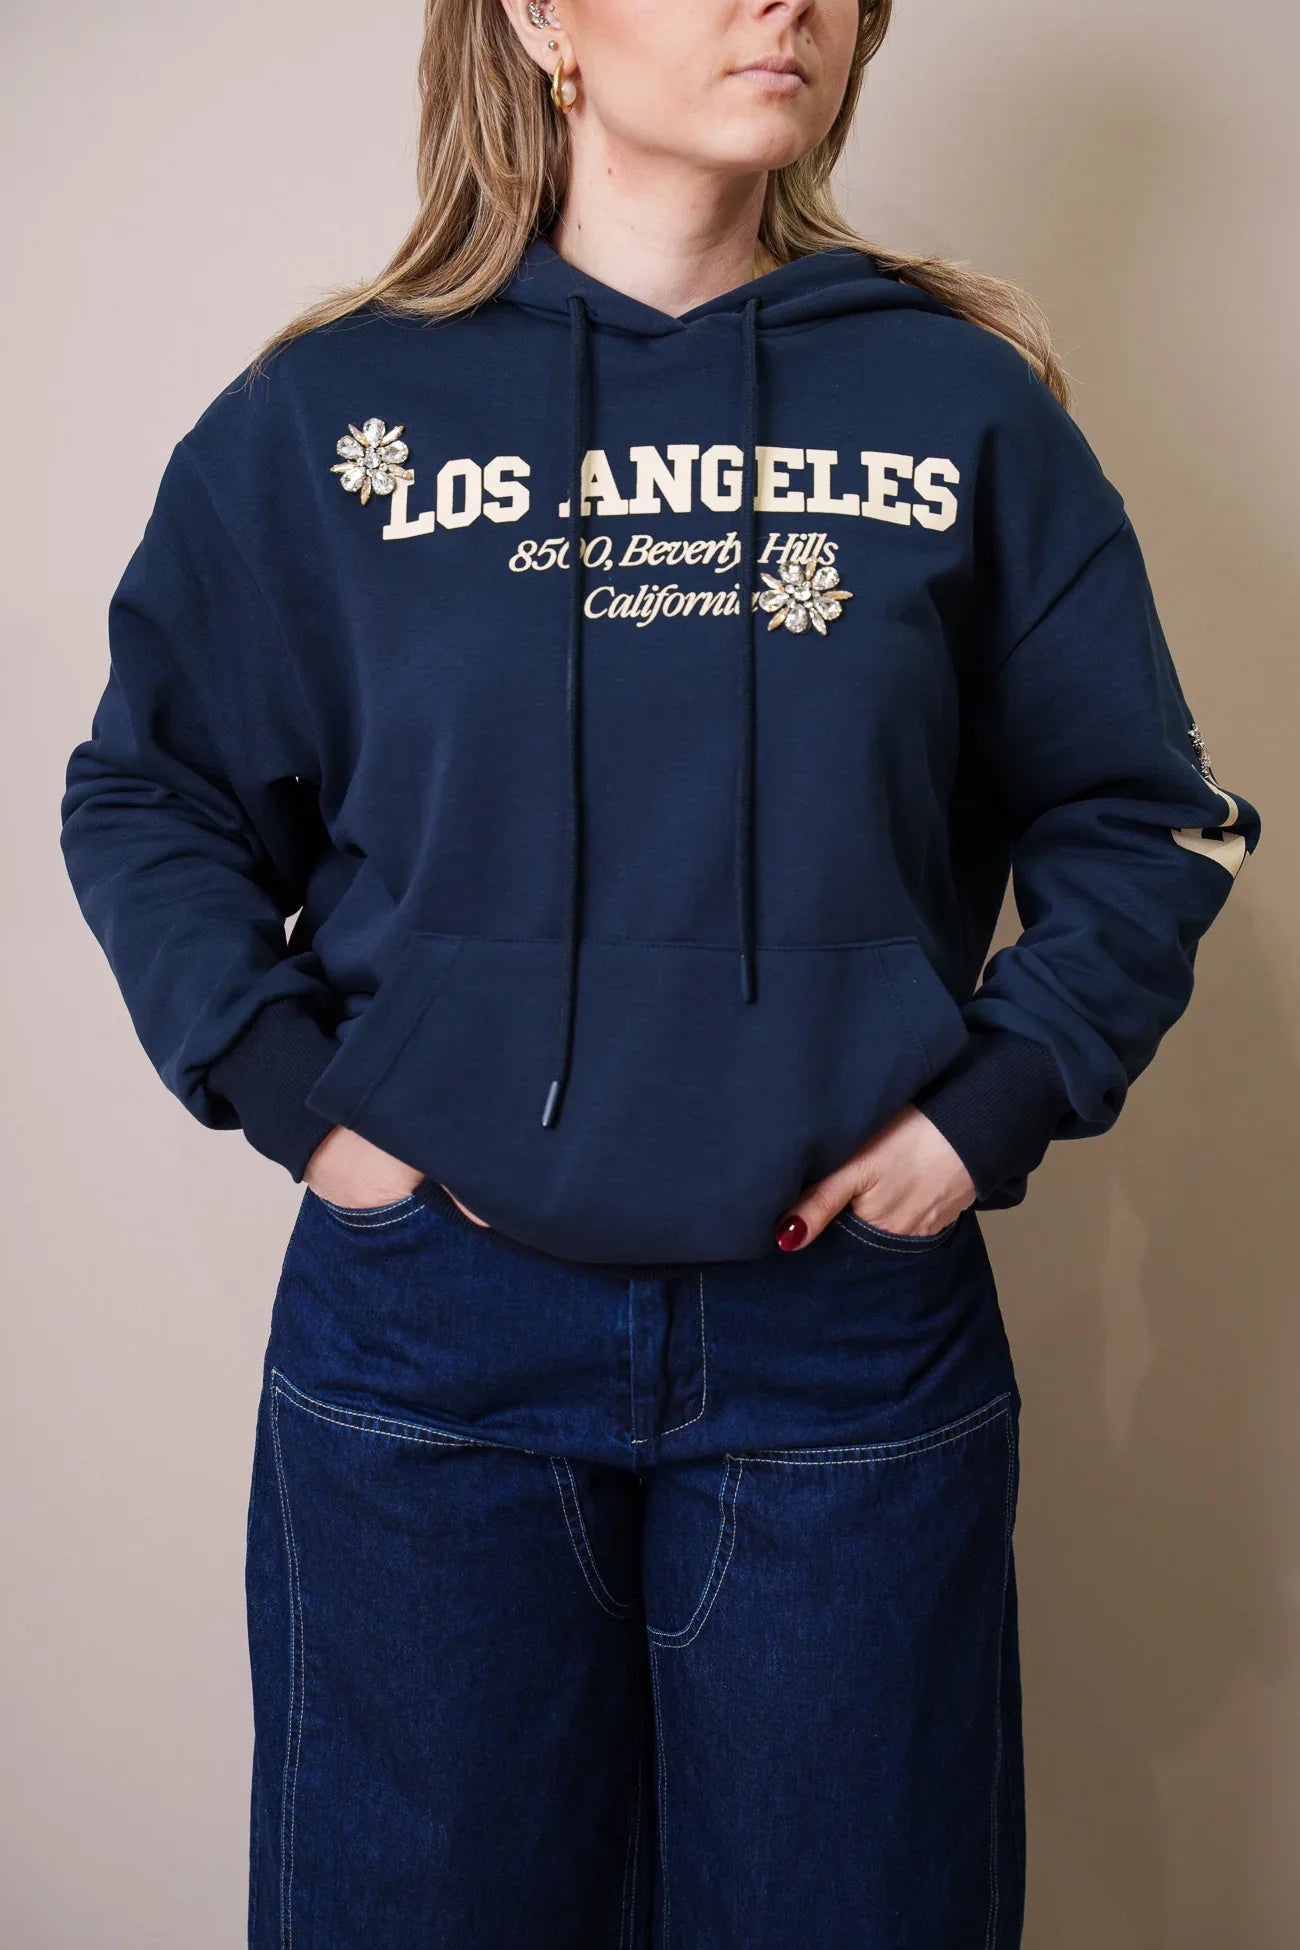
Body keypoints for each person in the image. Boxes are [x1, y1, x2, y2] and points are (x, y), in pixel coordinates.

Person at [59, 0, 1262, 1940]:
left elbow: (1149, 814)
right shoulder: (333, 417)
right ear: (541, 16)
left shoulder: (955, 404)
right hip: (433, 1341)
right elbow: (152, 793)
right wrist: (312, 1113)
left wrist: (979, 1118)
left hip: (840, 1354)